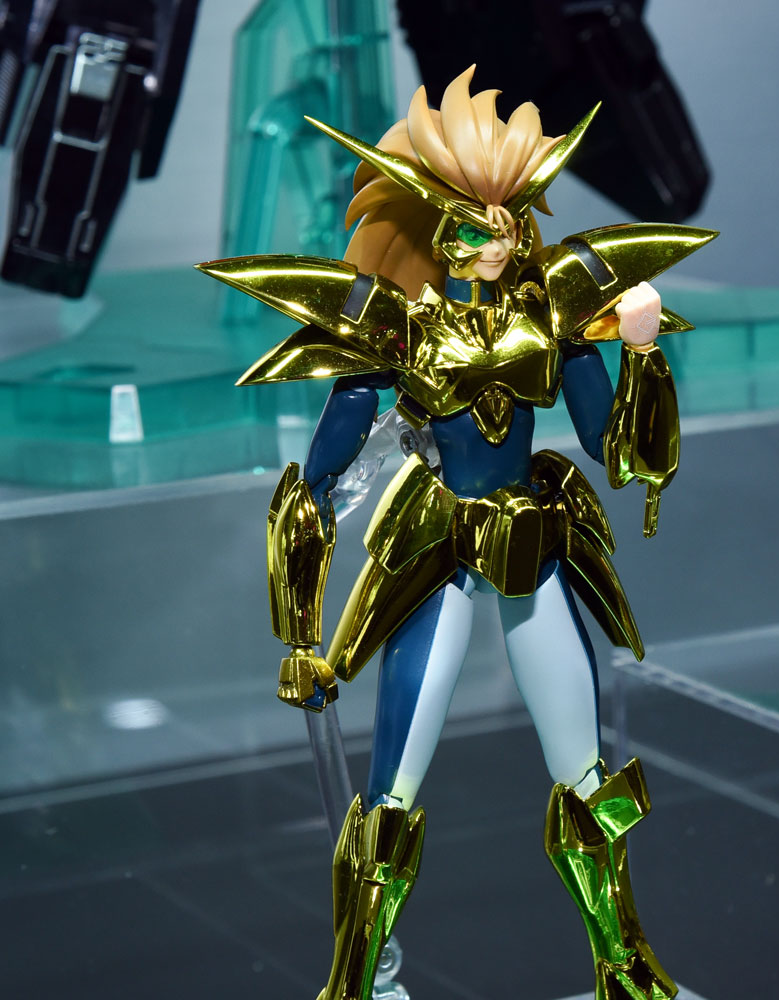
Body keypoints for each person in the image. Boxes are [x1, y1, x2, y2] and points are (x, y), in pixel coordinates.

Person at [198, 66, 715, 1000]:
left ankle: (623, 961)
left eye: (509, 218)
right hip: (439, 545)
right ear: (434, 223)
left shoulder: (553, 315)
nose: (499, 237)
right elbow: (315, 481)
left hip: (536, 541)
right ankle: (355, 981)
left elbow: (620, 452)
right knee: (394, 785)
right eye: (475, 222)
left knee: (588, 772)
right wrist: (302, 633)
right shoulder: (393, 331)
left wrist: (642, 354)